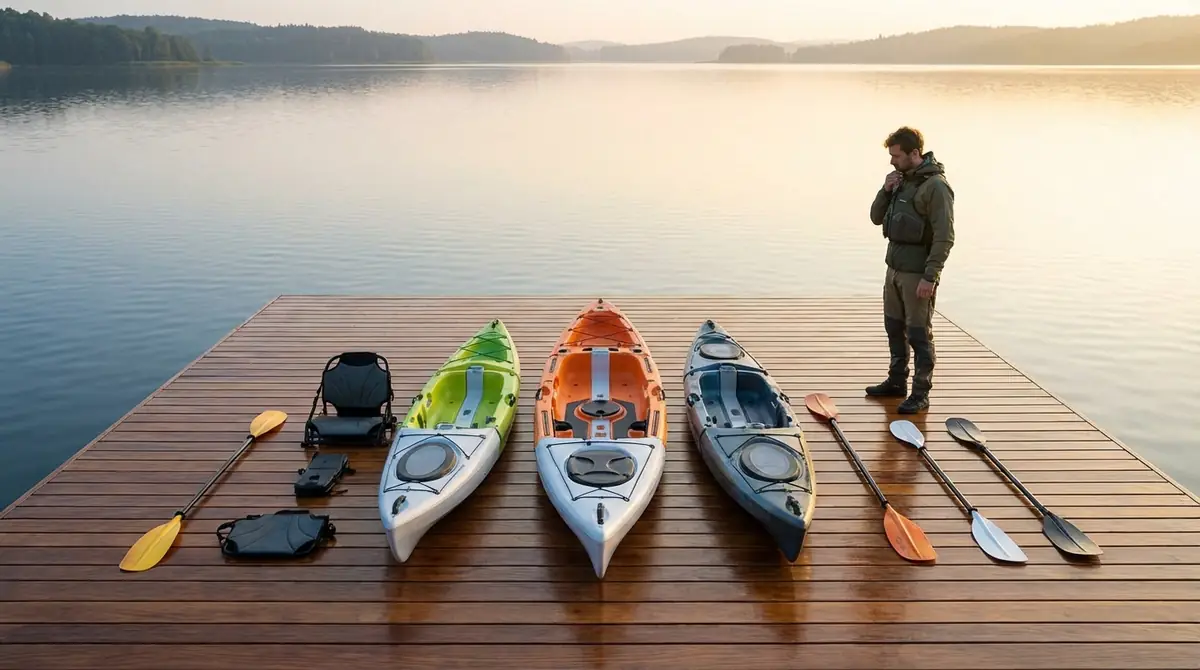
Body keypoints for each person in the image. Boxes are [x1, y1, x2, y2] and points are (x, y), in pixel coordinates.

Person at [866, 126, 955, 414]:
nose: (892, 161)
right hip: (893, 268)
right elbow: (876, 218)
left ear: (914, 153)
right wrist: (885, 189)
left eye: (896, 155)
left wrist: (930, 276)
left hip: (918, 273)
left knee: (918, 333)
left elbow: (945, 236)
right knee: (894, 326)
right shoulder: (900, 181)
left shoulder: (936, 187)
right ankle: (896, 381)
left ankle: (920, 393)